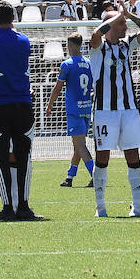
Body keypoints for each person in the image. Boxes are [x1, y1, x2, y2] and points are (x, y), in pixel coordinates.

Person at [88, 0, 140, 217]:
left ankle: (136, 207)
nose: (125, 27)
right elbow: (96, 35)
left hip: (128, 111)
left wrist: (127, 14)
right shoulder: (99, 49)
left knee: (133, 156)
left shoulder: (127, 46)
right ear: (110, 26)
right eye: (121, 24)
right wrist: (116, 15)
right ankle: (101, 207)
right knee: (103, 158)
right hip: (105, 112)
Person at [0, 1, 38, 220]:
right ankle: (24, 206)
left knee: (0, 158)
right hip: (23, 104)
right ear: (13, 18)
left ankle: (7, 208)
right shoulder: (24, 41)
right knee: (24, 157)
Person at [48, 32, 94, 187]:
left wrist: (50, 104)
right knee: (78, 145)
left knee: (80, 145)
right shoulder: (89, 63)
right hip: (87, 108)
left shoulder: (67, 64)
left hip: (74, 109)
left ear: (70, 45)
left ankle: (96, 175)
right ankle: (69, 177)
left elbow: (58, 87)